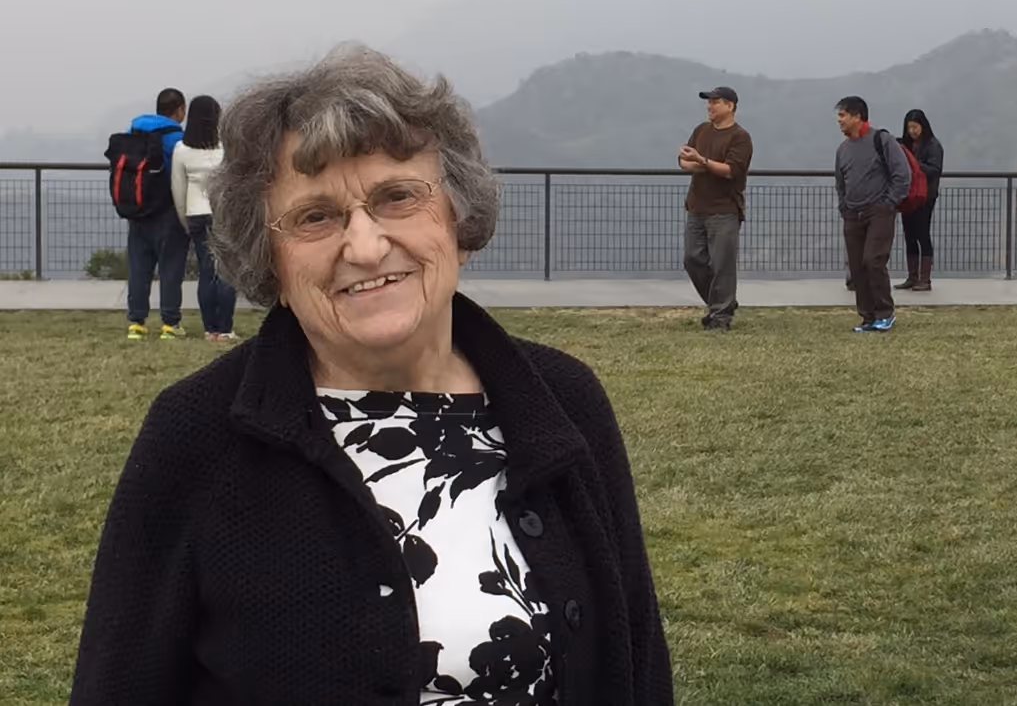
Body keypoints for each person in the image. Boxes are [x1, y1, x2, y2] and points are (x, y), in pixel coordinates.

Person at [70, 45, 673, 706]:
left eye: (397, 197)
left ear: (458, 216)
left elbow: (637, 664)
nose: (363, 245)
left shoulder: (565, 402)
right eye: (315, 215)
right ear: (268, 254)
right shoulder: (195, 435)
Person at [678, 85, 753, 331]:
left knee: (722, 265)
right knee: (692, 259)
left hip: (725, 210)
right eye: (708, 102)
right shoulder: (701, 130)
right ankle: (722, 303)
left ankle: (720, 317)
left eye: (715, 102)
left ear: (730, 106)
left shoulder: (740, 137)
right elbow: (683, 161)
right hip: (696, 207)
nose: (710, 106)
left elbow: (731, 170)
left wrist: (702, 161)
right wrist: (703, 163)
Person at [834, 95, 910, 333]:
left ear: (857, 116)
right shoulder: (843, 149)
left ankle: (885, 313)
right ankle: (867, 317)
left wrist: (889, 203)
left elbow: (902, 174)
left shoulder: (882, 140)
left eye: (843, 116)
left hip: (879, 212)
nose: (839, 121)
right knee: (856, 267)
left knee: (873, 261)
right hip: (852, 214)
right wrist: (844, 207)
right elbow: (841, 182)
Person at [171, 94, 238, 341]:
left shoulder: (181, 150)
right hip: (223, 214)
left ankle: (210, 328)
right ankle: (225, 327)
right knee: (227, 272)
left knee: (206, 272)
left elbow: (178, 189)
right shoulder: (227, 147)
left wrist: (184, 220)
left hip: (195, 213)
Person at [124, 88, 190, 340]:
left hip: (138, 209)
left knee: (139, 268)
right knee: (170, 268)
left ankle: (136, 323)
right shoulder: (176, 139)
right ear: (180, 109)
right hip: (167, 211)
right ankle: (170, 324)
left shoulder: (136, 131)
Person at [894, 108, 944, 292]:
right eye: (910, 128)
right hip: (909, 196)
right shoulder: (906, 146)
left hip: (925, 197)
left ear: (923, 126)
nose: (913, 131)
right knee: (909, 236)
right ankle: (912, 277)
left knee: (923, 234)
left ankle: (925, 279)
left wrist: (914, 164)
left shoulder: (933, 145)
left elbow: (935, 170)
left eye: (916, 127)